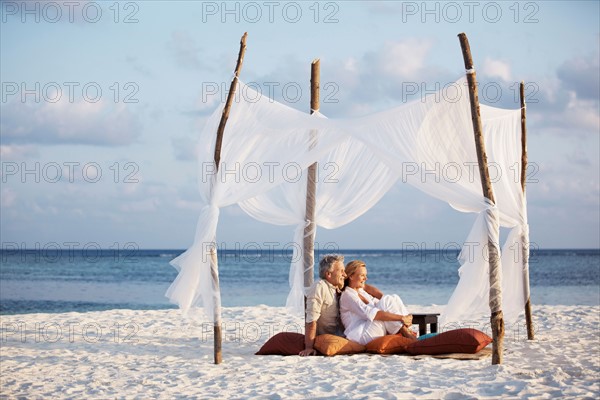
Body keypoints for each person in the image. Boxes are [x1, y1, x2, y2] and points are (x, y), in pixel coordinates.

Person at [299, 254, 383, 356]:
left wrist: (382, 297)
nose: (345, 275)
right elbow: (311, 320)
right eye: (341, 271)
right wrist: (308, 348)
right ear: (328, 274)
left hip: (345, 334)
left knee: (387, 303)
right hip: (331, 337)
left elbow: (363, 286)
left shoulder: (339, 286)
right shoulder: (319, 287)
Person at [340, 260, 414, 346]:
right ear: (351, 276)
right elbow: (373, 314)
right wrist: (401, 318)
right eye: (362, 275)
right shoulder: (348, 296)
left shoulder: (361, 291)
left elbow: (382, 304)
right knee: (387, 300)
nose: (366, 278)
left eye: (366, 275)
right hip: (361, 336)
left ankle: (406, 329)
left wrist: (403, 317)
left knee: (394, 297)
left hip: (371, 328)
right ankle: (407, 333)